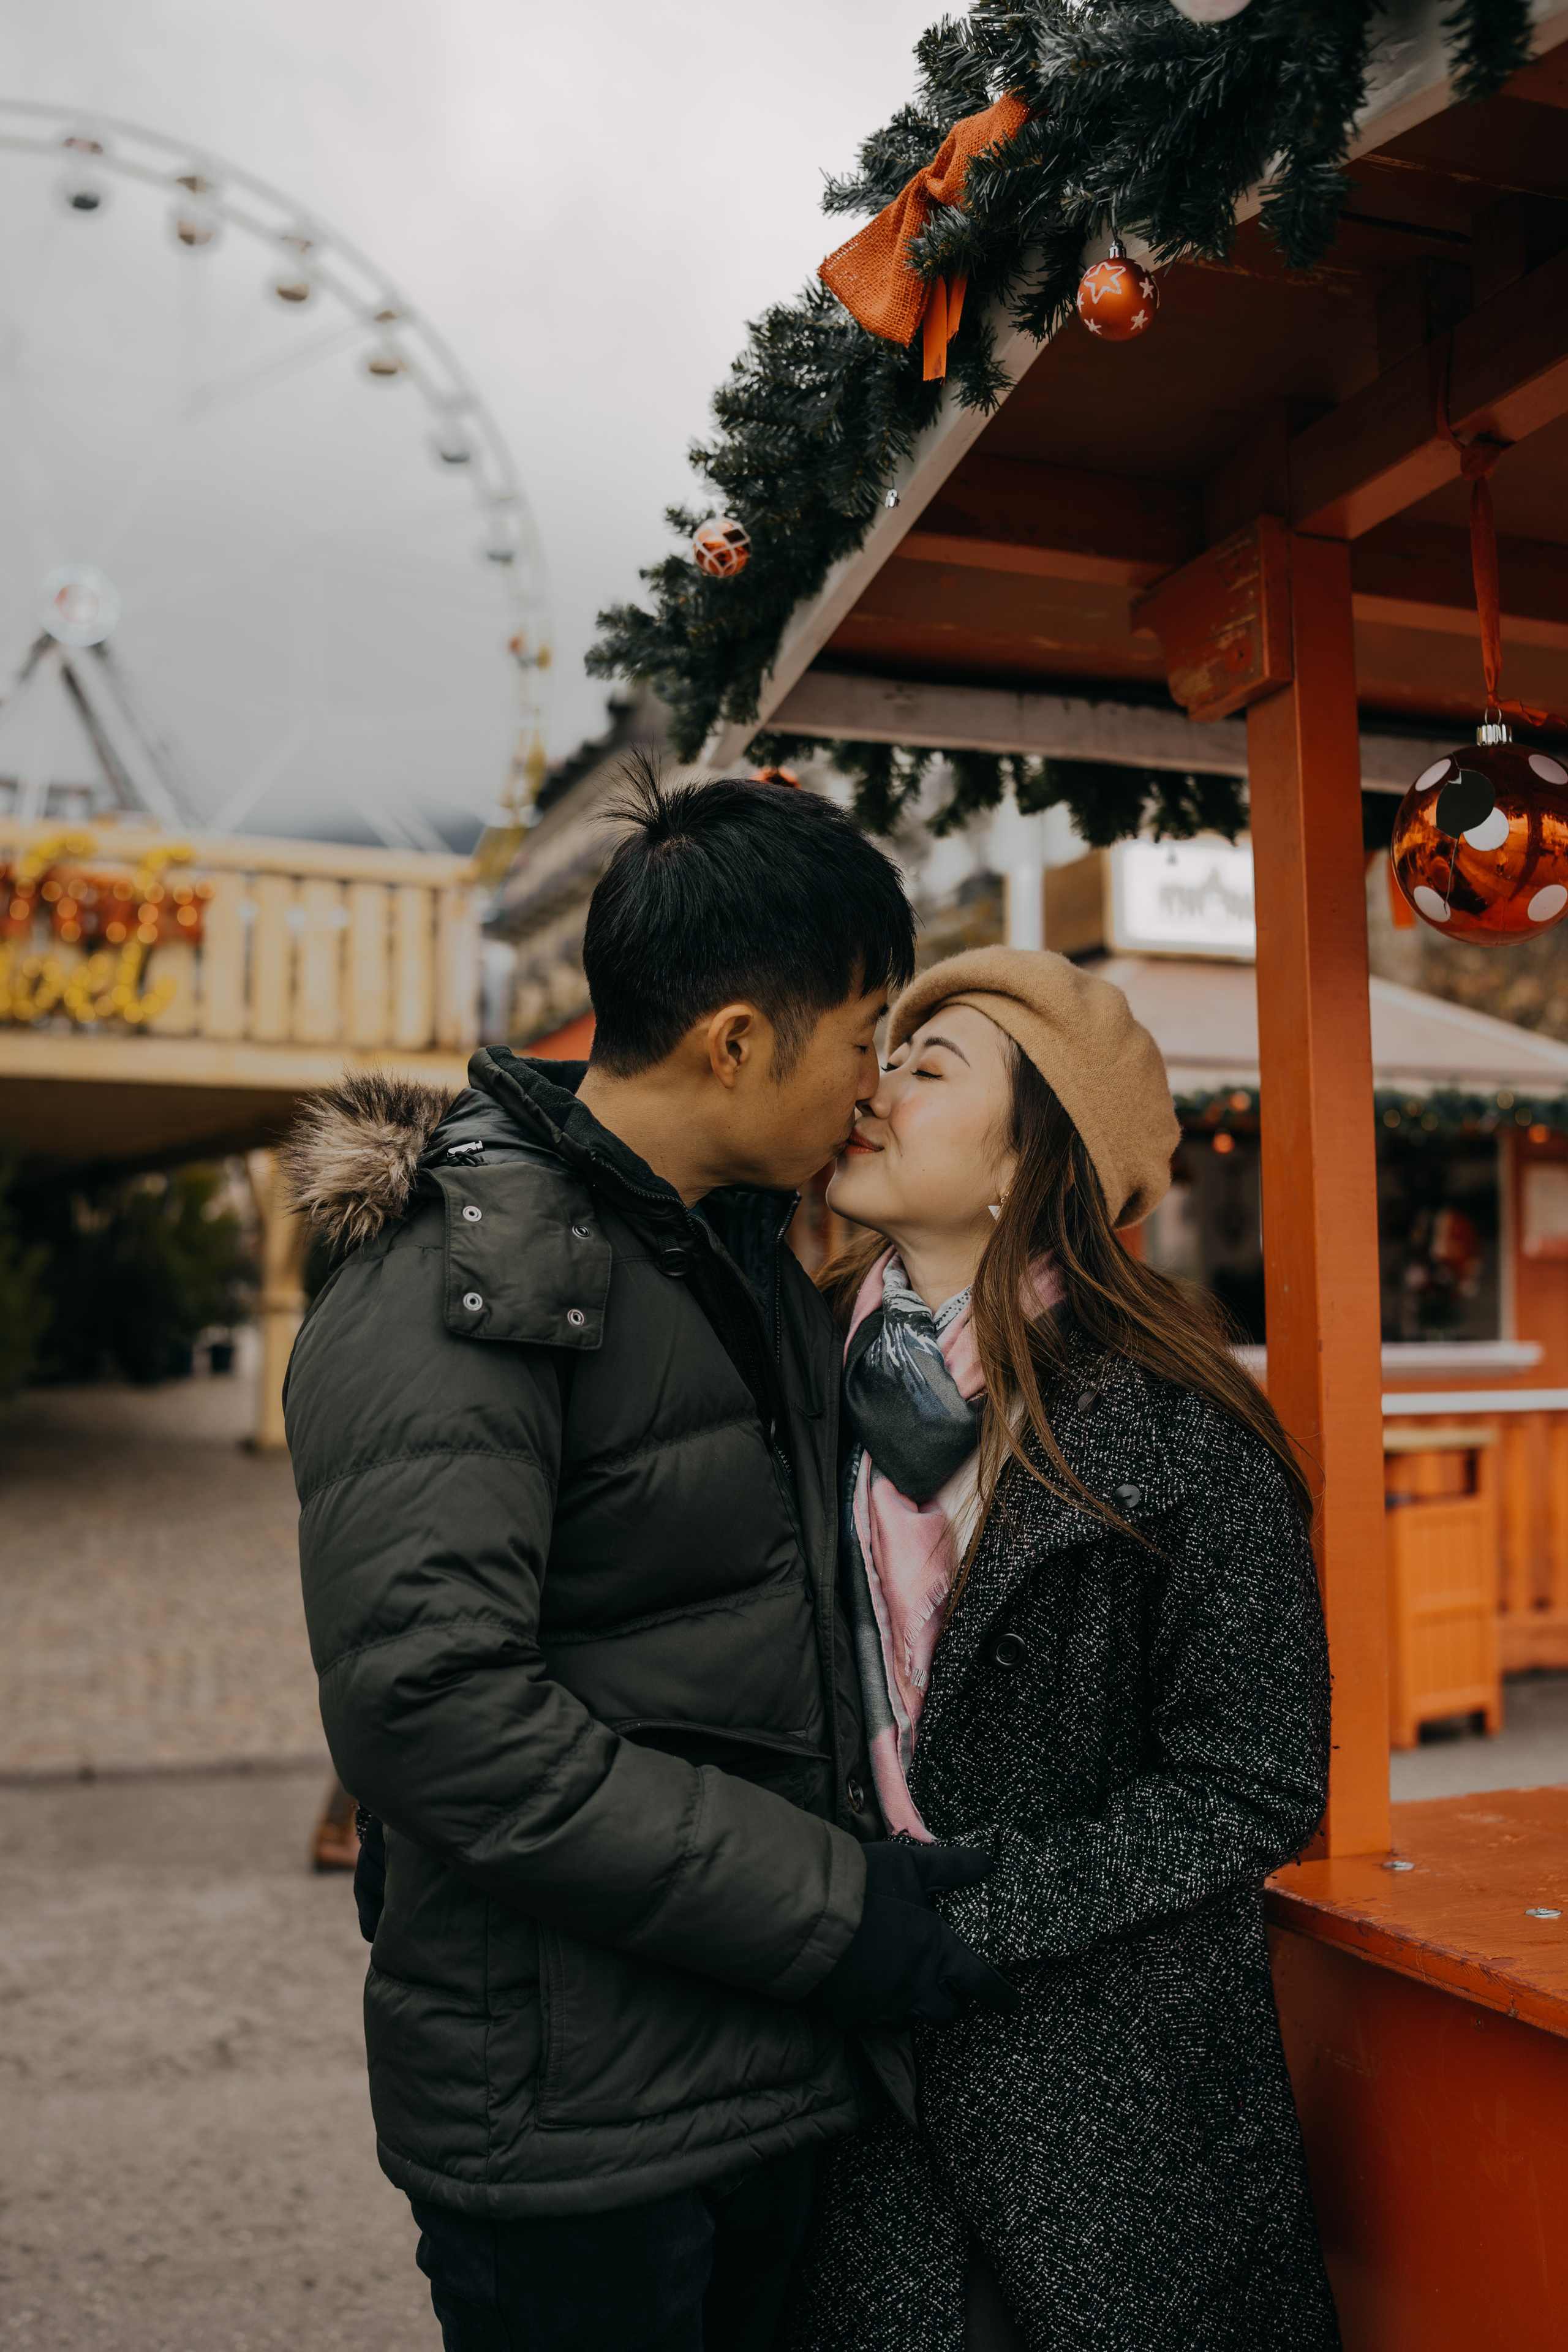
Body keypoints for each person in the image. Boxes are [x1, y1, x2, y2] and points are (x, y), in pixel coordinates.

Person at [279, 764, 1016, 2352]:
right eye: (860, 1032)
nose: (873, 1083)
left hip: (747, 2070)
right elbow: (436, 1714)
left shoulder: (731, 1251)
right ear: (736, 1040)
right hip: (570, 2128)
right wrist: (843, 1913)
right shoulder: (454, 1281)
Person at [785, 946, 1340, 2352]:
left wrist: (966, 1917)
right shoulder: (791, 1390)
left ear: (1027, 1160)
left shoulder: (1177, 1432)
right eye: (885, 1053)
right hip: (851, 2104)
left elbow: (1256, 1782)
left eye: (929, 1066)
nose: (877, 1083)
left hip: (1114, 2108)